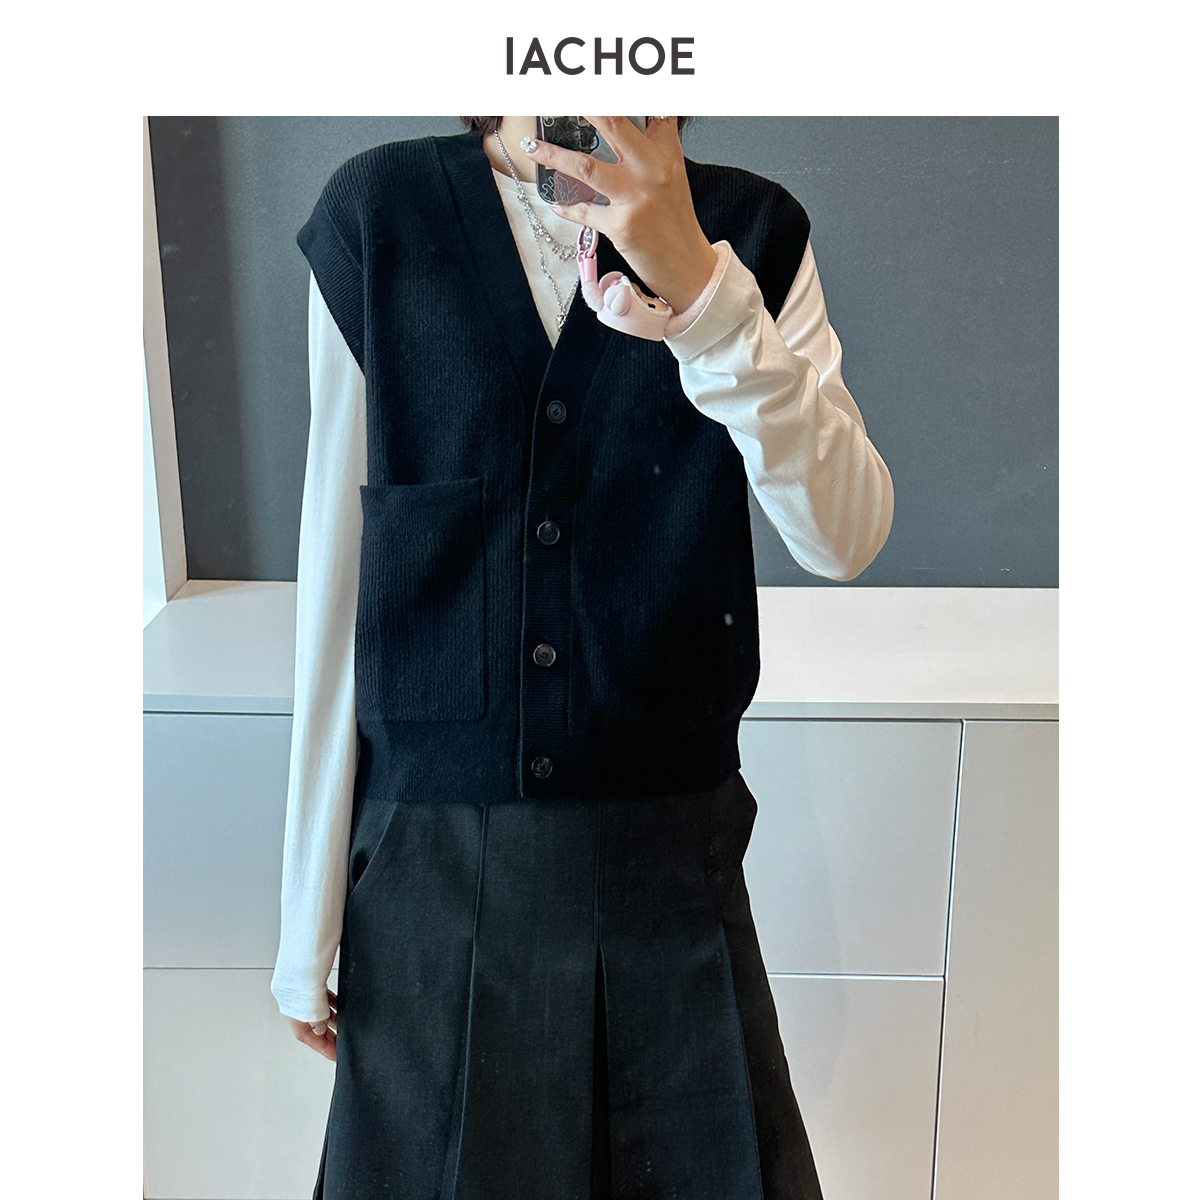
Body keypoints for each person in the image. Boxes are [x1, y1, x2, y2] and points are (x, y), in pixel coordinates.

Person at [271, 115, 893, 1200]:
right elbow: (339, 578)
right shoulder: (381, 217)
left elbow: (845, 535)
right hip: (430, 882)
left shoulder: (750, 233)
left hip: (670, 880)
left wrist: (706, 300)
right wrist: (305, 918)